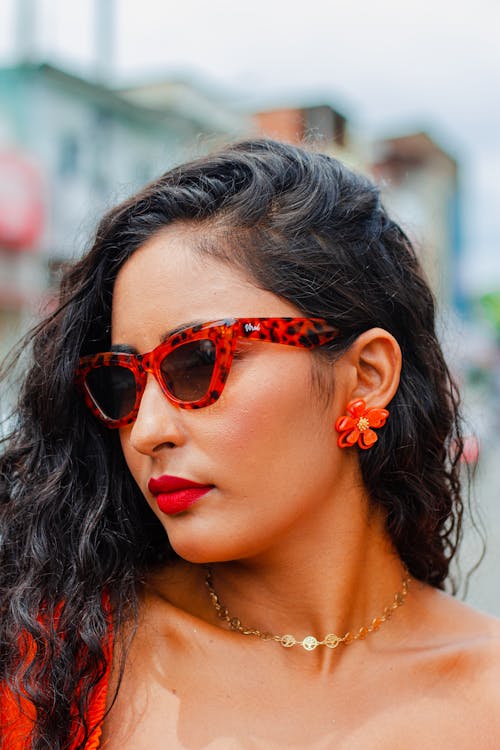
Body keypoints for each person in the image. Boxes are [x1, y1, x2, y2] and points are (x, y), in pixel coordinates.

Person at [1, 139, 499, 750]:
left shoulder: (486, 695)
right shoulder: (48, 661)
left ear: (366, 375)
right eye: (121, 383)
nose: (148, 430)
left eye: (198, 361)